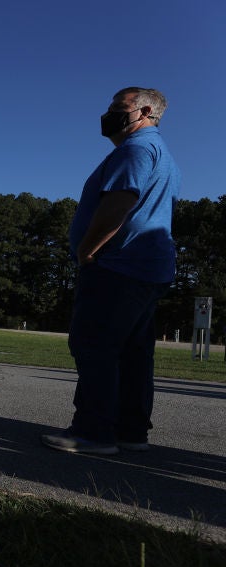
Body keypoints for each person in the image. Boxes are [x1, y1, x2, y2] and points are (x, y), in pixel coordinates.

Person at [41, 88, 180, 456]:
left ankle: (93, 431)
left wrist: (87, 249)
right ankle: (131, 431)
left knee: (95, 345)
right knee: (133, 352)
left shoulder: (134, 150)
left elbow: (120, 202)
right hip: (148, 269)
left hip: (118, 265)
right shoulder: (162, 155)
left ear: (145, 111)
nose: (107, 114)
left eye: (117, 108)